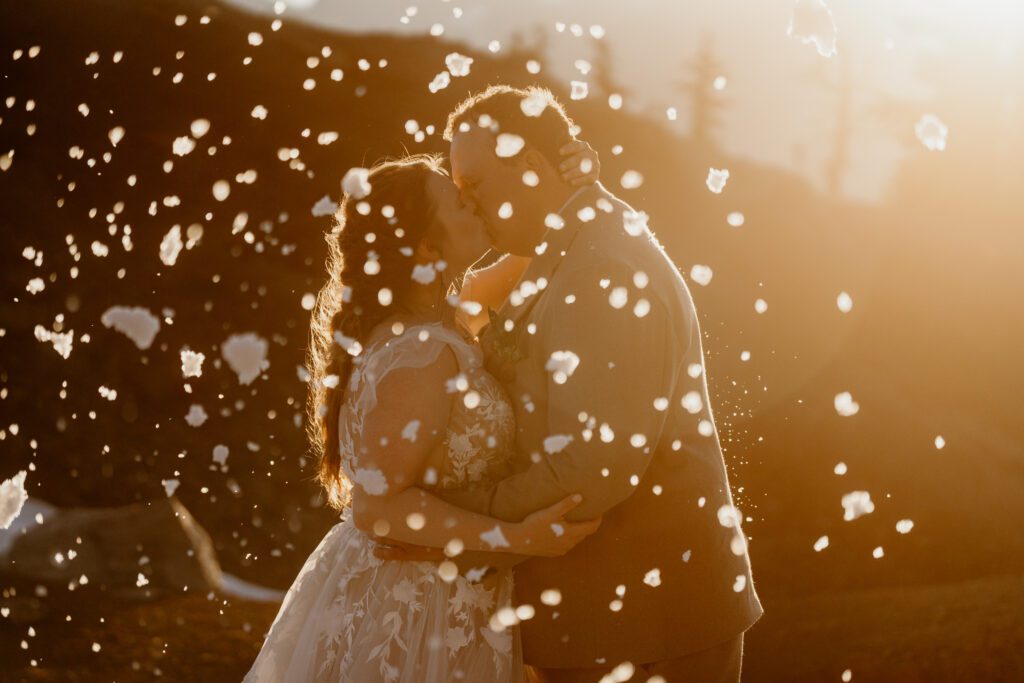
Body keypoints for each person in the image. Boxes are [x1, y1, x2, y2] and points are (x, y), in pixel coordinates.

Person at [378, 85, 764, 683]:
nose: (467, 204)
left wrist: (448, 525)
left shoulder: (603, 267)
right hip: (606, 615)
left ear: (529, 165)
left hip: (641, 621)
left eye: (474, 185)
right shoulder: (566, 247)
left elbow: (589, 471)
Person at [244, 148, 603, 683]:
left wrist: (574, 185)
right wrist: (519, 538)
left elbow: (537, 249)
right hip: (415, 606)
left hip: (442, 587)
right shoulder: (423, 351)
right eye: (459, 202)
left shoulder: (440, 319)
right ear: (426, 245)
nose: (475, 204)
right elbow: (378, 507)